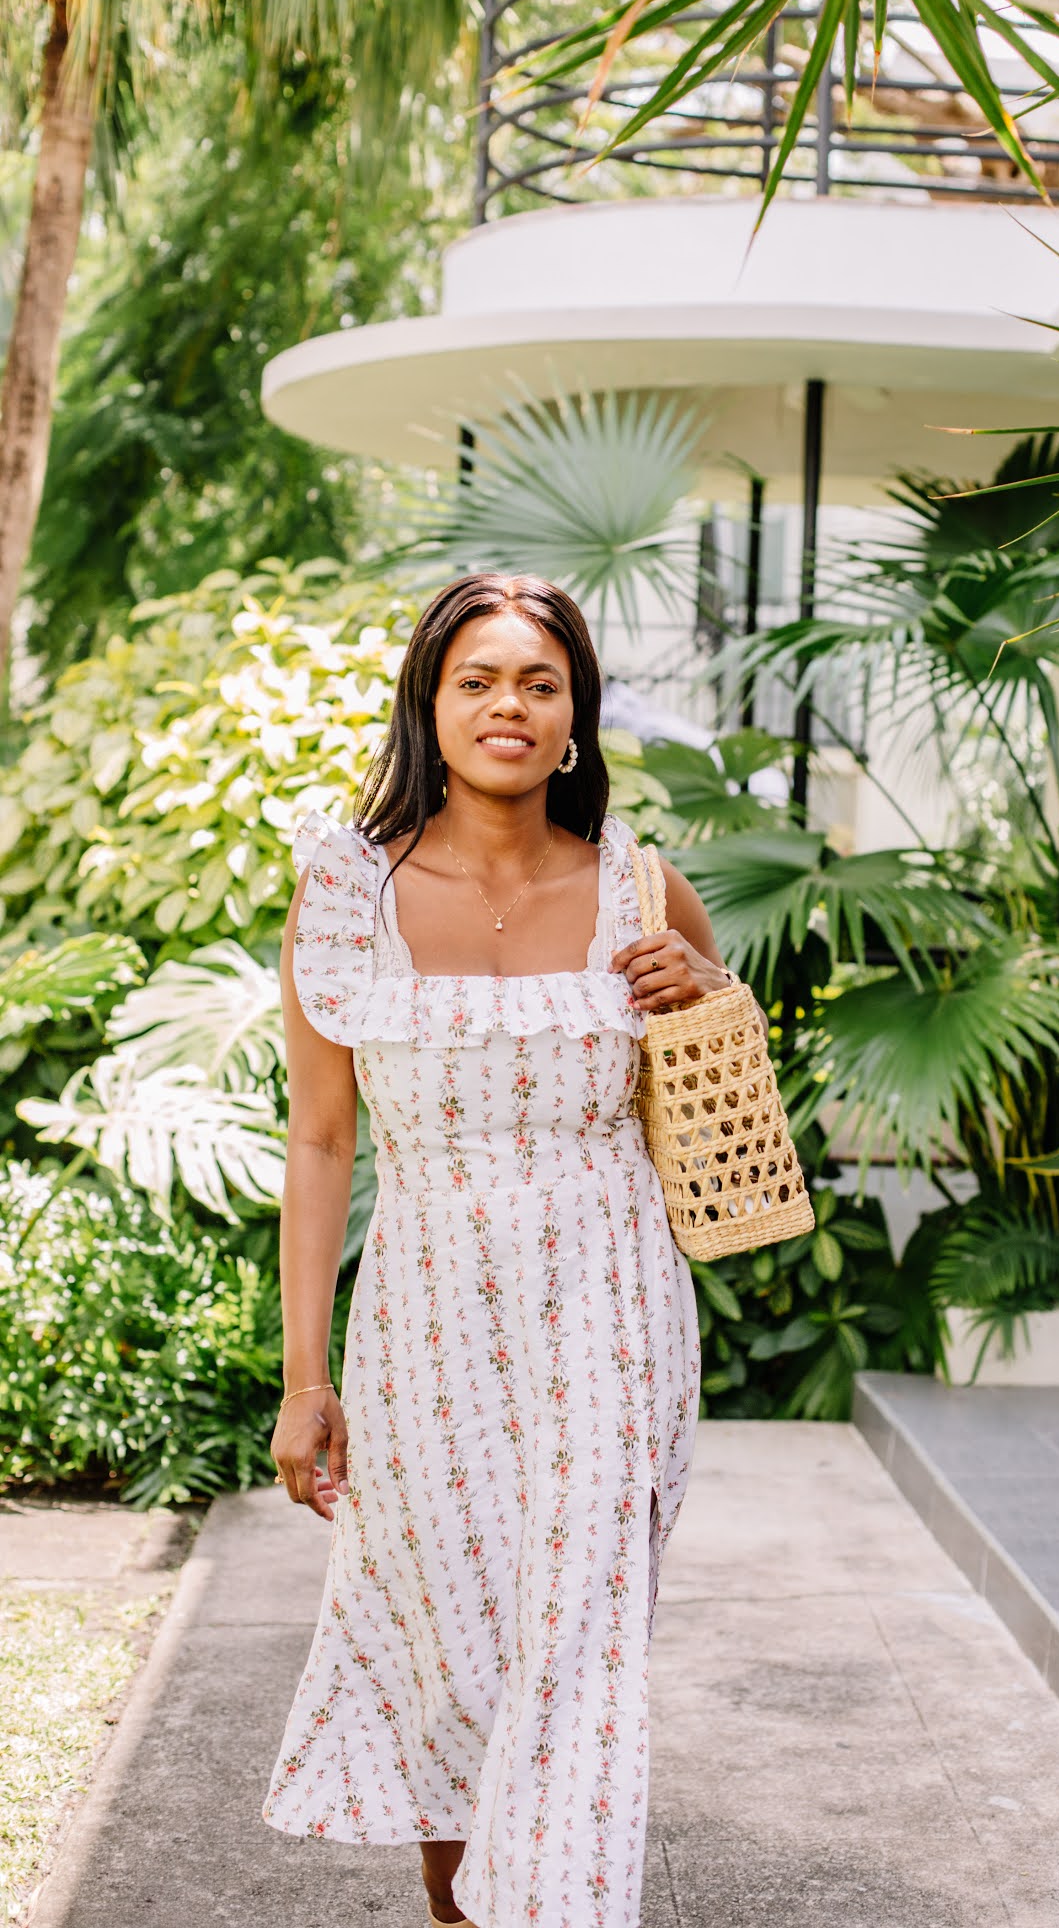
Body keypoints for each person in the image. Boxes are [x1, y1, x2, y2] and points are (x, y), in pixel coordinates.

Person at [260, 572, 729, 1928]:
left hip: (612, 1314)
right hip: (425, 1325)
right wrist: (304, 1380)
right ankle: (458, 1911)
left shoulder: (639, 885)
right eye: (477, 680)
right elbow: (322, 1143)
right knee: (451, 1660)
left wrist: (708, 993)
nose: (507, 706)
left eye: (539, 682)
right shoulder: (348, 893)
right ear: (431, 703)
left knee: (577, 1653)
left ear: (575, 717)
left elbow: (720, 1083)